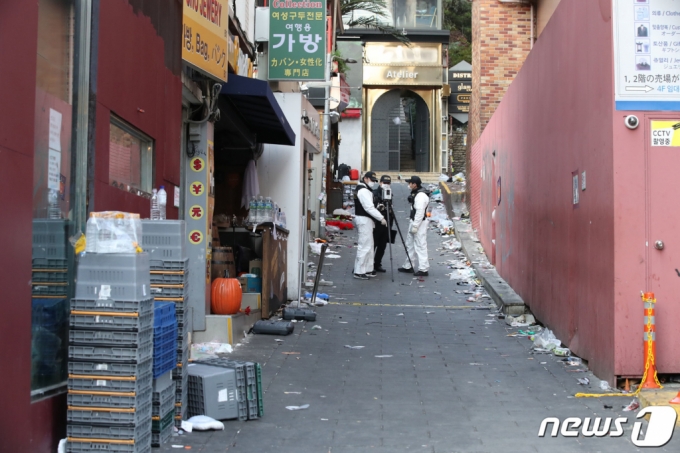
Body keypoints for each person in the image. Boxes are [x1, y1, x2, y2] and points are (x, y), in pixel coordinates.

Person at [353, 171, 387, 280]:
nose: (373, 182)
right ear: (366, 178)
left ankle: (367, 269)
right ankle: (359, 271)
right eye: (371, 180)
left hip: (366, 219)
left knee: (369, 245)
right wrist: (380, 217)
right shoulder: (363, 190)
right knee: (365, 245)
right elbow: (368, 207)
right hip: (364, 219)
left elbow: (369, 207)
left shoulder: (364, 190)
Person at [398, 176, 430, 277]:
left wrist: (415, 225)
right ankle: (408, 265)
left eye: (410, 183)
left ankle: (423, 269)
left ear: (414, 184)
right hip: (415, 221)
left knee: (420, 245)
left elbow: (420, 212)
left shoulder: (420, 196)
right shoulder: (417, 193)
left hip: (419, 223)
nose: (409, 185)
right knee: (410, 243)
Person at [372, 175, 394, 273]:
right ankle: (369, 264)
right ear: (380, 183)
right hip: (377, 222)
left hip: (387, 222)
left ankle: (377, 263)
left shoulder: (389, 193)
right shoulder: (375, 193)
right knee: (373, 244)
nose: (386, 185)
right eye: (384, 183)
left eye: (388, 183)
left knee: (382, 245)